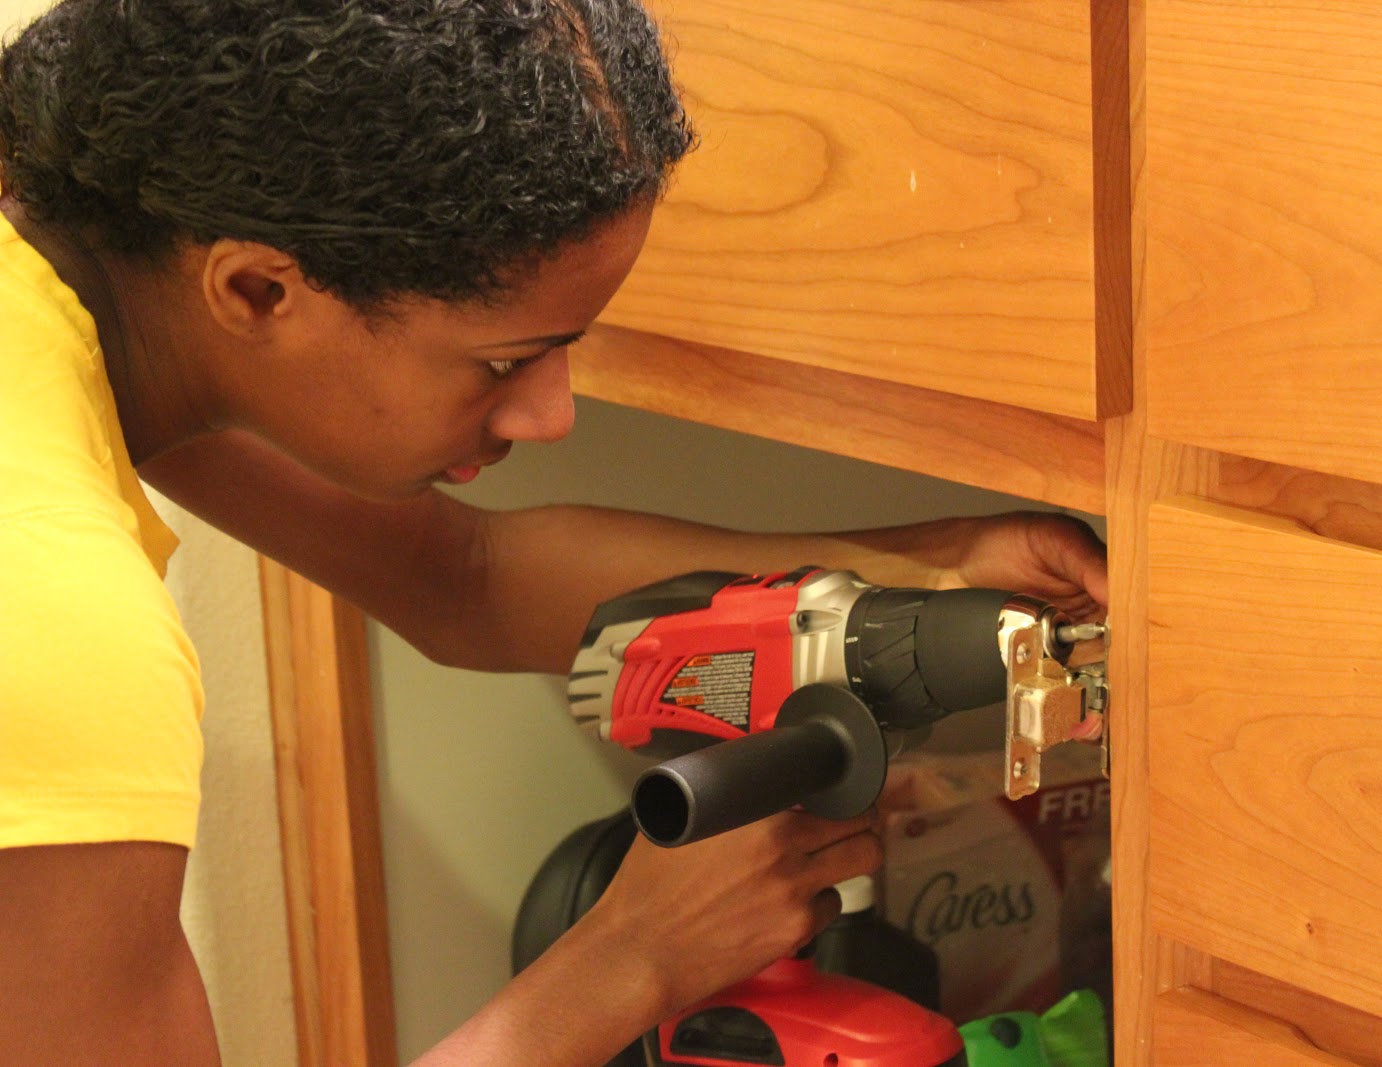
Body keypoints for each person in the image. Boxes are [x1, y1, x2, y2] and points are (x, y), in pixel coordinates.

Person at [0, 0, 1109, 1063]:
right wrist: (623, 964)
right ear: (256, 289)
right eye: (501, 361)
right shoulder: (60, 612)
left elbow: (459, 576)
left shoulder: (86, 280)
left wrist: (934, 561)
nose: (550, 414)